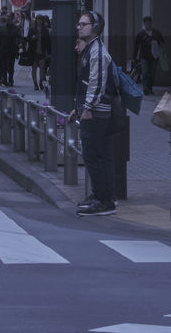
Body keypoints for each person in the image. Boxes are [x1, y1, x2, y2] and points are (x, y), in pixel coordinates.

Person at [72, 11, 116, 216]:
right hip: (94, 111)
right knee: (99, 156)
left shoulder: (97, 51)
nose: (79, 27)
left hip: (96, 113)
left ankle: (103, 200)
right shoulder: (92, 49)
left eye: (84, 24)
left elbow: (97, 83)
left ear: (96, 27)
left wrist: (87, 107)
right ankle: (103, 196)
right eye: (79, 24)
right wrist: (79, 107)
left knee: (93, 157)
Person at [133, 16, 166, 95]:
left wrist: (156, 42)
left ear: (151, 24)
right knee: (145, 72)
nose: (148, 25)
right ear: (144, 24)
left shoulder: (156, 33)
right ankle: (145, 88)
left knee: (152, 73)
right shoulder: (141, 34)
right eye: (146, 23)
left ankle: (150, 88)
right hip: (144, 56)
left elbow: (162, 42)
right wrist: (135, 57)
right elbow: (136, 46)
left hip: (154, 56)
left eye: (149, 23)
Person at [0, 14, 20, 87]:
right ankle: (5, 80)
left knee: (11, 66)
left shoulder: (16, 28)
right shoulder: (2, 28)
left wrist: (19, 47)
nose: (9, 19)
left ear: (12, 19)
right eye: (8, 18)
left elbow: (18, 38)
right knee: (4, 66)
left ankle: (11, 80)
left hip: (12, 49)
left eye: (10, 18)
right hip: (3, 49)